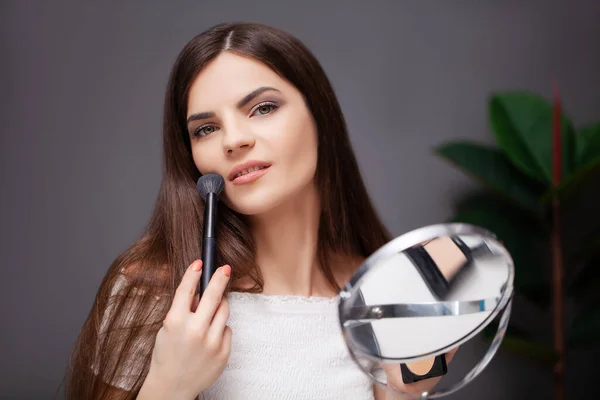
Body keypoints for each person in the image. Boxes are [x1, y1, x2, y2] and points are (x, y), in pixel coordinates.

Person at [65, 22, 455, 400]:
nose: (233, 140)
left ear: (320, 117)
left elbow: (406, 387)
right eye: (205, 129)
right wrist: (169, 385)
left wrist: (413, 378)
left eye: (263, 108)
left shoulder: (378, 291)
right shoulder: (153, 290)